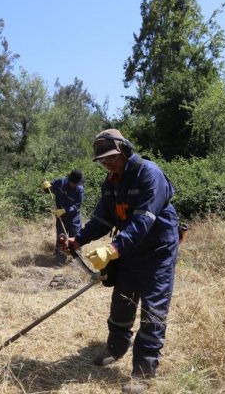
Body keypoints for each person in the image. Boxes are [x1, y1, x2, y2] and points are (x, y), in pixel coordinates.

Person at [64, 129, 179, 393]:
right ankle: (115, 348)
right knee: (122, 302)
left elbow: (144, 220)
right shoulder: (111, 183)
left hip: (158, 251)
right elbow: (103, 220)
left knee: (153, 309)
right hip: (128, 251)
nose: (108, 164)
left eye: (112, 158)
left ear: (125, 150)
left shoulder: (150, 173)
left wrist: (114, 248)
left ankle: (143, 372)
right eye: (103, 161)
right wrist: (78, 240)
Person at [42, 170, 85, 264]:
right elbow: (50, 189)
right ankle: (59, 260)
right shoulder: (60, 182)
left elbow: (77, 206)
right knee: (61, 237)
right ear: (69, 180)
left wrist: (65, 210)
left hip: (74, 217)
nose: (74, 185)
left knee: (76, 238)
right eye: (73, 183)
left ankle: (77, 261)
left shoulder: (80, 189)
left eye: (76, 183)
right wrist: (45, 187)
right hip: (60, 216)